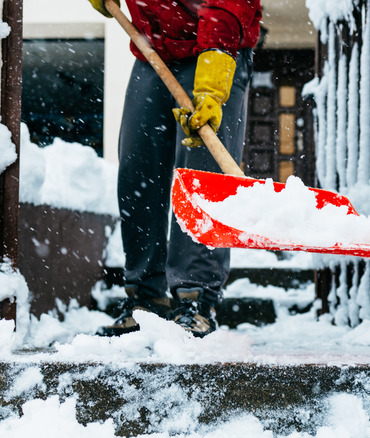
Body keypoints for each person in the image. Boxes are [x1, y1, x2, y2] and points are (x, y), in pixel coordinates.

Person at [86, 0, 262, 337]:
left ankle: (195, 298)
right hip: (153, 50)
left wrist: (212, 78)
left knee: (202, 180)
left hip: (216, 47)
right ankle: (146, 297)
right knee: (138, 172)